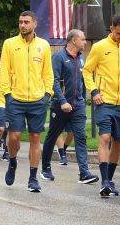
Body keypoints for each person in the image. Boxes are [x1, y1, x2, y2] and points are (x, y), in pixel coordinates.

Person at [83, 14, 120, 197]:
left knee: (118, 141)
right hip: (105, 101)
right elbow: (87, 70)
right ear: (111, 29)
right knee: (105, 137)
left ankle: (109, 179)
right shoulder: (99, 47)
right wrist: (94, 91)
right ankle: (104, 180)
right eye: (118, 34)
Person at [0, 11, 53, 193]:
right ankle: (13, 161)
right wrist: (7, 94)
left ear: (34, 24)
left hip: (38, 99)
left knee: (35, 138)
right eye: (21, 22)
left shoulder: (44, 45)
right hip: (15, 98)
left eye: (26, 22)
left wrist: (47, 94)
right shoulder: (9, 44)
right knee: (14, 136)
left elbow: (47, 73)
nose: (23, 25)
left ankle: (32, 177)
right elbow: (4, 71)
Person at [41, 29, 99, 184]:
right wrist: (62, 101)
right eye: (83, 39)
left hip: (78, 106)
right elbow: (54, 81)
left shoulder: (81, 58)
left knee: (81, 137)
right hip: (60, 106)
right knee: (52, 136)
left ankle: (84, 173)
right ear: (73, 40)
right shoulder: (59, 57)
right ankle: (45, 168)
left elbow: (81, 81)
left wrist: (82, 98)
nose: (85, 42)